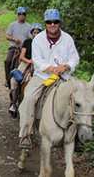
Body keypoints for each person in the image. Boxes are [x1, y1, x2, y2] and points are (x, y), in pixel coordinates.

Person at [18, 9, 79, 149]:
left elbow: (74, 57)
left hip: (64, 77)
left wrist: (66, 66)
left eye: (55, 22)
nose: (52, 24)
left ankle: (78, 136)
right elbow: (36, 60)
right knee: (28, 98)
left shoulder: (67, 39)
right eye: (49, 22)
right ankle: (25, 135)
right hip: (43, 76)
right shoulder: (38, 39)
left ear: (59, 23)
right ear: (45, 24)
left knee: (80, 98)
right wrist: (51, 68)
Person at [9, 23, 43, 115]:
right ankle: (14, 103)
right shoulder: (27, 42)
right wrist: (29, 61)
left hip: (39, 66)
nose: (36, 34)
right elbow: (21, 56)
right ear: (32, 33)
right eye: (34, 32)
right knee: (14, 80)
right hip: (26, 63)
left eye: (38, 32)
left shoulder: (43, 44)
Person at [5, 7, 31, 88]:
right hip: (14, 47)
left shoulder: (29, 26)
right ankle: (7, 79)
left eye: (23, 14)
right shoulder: (12, 25)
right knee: (7, 61)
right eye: (20, 14)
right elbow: (7, 36)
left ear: (26, 15)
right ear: (17, 15)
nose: (22, 16)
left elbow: (31, 37)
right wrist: (14, 39)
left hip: (24, 49)